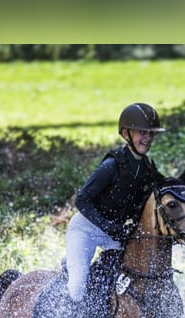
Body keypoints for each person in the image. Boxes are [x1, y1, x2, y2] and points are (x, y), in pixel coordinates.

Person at [64, 102, 167, 302]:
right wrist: (108, 227)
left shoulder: (146, 170)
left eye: (151, 133)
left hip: (113, 233)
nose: (147, 138)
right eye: (141, 133)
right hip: (85, 230)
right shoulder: (111, 165)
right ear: (125, 134)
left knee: (126, 275)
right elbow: (82, 199)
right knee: (77, 286)